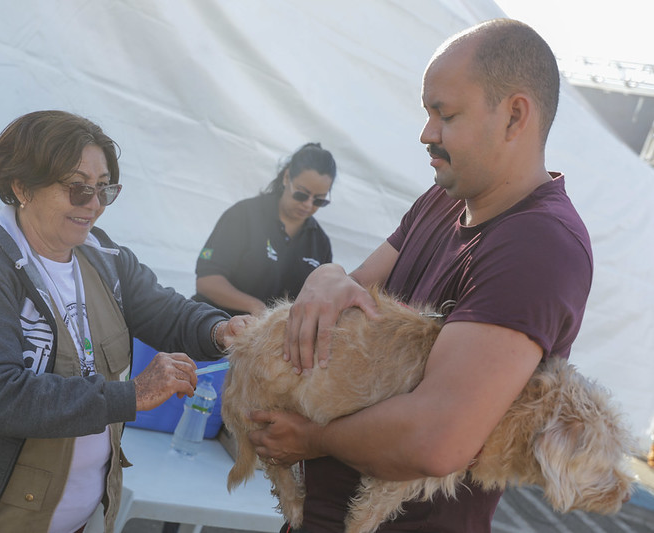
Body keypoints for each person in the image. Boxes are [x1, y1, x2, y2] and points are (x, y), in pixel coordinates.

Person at [248, 19, 593, 533]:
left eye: (444, 114)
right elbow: (356, 298)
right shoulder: (442, 199)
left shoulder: (539, 245)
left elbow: (436, 440)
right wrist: (327, 274)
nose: (426, 133)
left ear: (515, 115)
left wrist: (312, 439)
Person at [0, 110, 244, 533]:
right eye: (78, 188)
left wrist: (220, 329)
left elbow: (165, 310)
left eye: (104, 190)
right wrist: (130, 395)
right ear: (22, 186)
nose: (94, 205)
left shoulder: (104, 257)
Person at [193, 143, 336, 316]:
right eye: (302, 194)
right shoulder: (244, 215)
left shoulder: (320, 243)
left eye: (319, 200)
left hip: (269, 339)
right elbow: (207, 281)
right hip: (215, 326)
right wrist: (256, 307)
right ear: (286, 178)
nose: (308, 204)